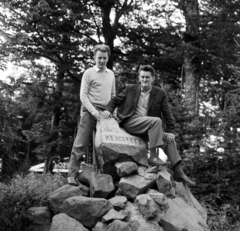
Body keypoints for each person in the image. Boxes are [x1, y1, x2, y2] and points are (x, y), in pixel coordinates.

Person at [102, 64, 196, 186]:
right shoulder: (131, 89)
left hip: (149, 129)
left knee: (168, 139)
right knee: (156, 121)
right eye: (142, 77)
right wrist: (108, 110)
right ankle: (154, 158)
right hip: (132, 122)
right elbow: (115, 100)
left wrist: (171, 132)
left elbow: (167, 114)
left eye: (147, 77)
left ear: (153, 78)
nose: (144, 80)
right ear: (139, 77)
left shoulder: (160, 93)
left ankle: (179, 172)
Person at [68, 44, 116, 186]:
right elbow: (83, 96)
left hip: (106, 112)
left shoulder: (111, 74)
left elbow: (113, 95)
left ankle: (104, 176)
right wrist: (94, 112)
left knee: (106, 145)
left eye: (104, 58)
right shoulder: (88, 73)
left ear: (108, 58)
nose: (102, 61)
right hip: (90, 110)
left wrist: (113, 111)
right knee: (81, 143)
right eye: (99, 58)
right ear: (94, 57)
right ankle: (72, 174)